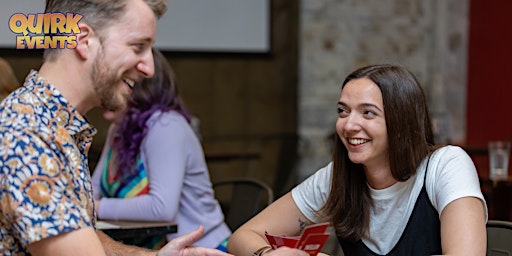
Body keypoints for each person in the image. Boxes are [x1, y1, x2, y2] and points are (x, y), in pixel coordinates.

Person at [0, 0, 232, 255]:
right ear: (83, 39)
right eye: (138, 47)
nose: (149, 68)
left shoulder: (52, 125)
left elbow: (85, 236)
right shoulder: (28, 134)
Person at [227, 64, 487, 256]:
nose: (349, 125)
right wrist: (268, 254)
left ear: (401, 122)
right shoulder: (337, 177)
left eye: (367, 113)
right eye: (343, 111)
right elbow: (242, 237)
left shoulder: (446, 165)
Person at [91, 48, 231, 250]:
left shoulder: (166, 126)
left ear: (137, 88)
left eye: (114, 82)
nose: (102, 91)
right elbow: (92, 190)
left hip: (198, 249)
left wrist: (95, 208)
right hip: (145, 249)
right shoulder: (118, 128)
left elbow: (161, 208)